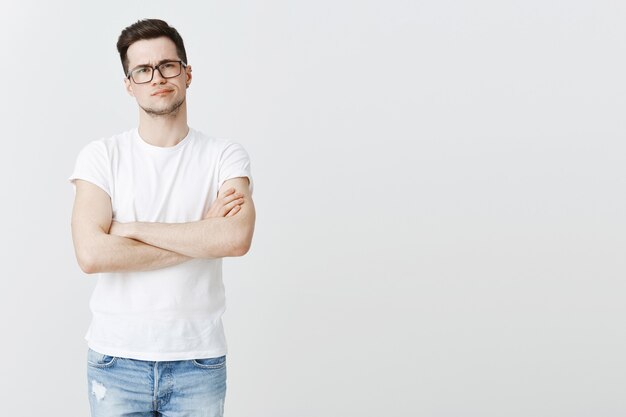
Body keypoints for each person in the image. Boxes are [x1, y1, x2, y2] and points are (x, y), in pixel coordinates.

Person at [68, 18, 255, 417]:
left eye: (168, 66)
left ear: (187, 73)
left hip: (198, 361)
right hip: (116, 361)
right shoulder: (101, 157)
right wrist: (202, 234)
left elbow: (235, 239)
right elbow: (92, 254)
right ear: (129, 84)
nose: (158, 77)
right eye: (143, 70)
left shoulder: (225, 157)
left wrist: (131, 229)